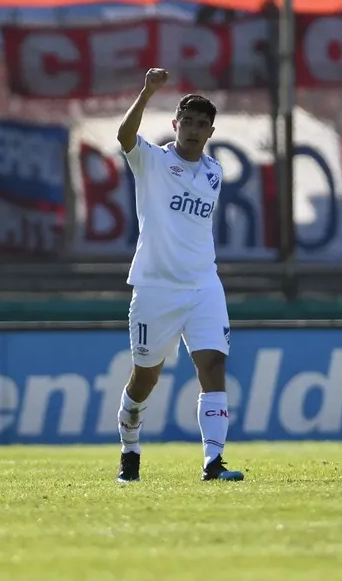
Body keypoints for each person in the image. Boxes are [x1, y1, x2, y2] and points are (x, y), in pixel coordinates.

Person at [114, 68, 243, 483]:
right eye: (186, 122)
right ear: (175, 124)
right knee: (144, 380)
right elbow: (123, 137)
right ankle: (130, 451)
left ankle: (213, 462)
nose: (192, 129)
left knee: (213, 367)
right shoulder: (152, 160)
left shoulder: (215, 173)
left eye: (201, 124)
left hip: (204, 284)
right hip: (155, 286)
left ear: (210, 131)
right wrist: (147, 92)